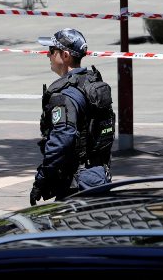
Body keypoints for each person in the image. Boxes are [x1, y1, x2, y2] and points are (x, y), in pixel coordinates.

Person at [30, 28, 115, 205]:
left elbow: (62, 140)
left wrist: (42, 178)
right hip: (99, 175)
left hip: (77, 185)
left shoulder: (64, 95)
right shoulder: (91, 82)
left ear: (65, 55)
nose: (48, 55)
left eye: (52, 50)